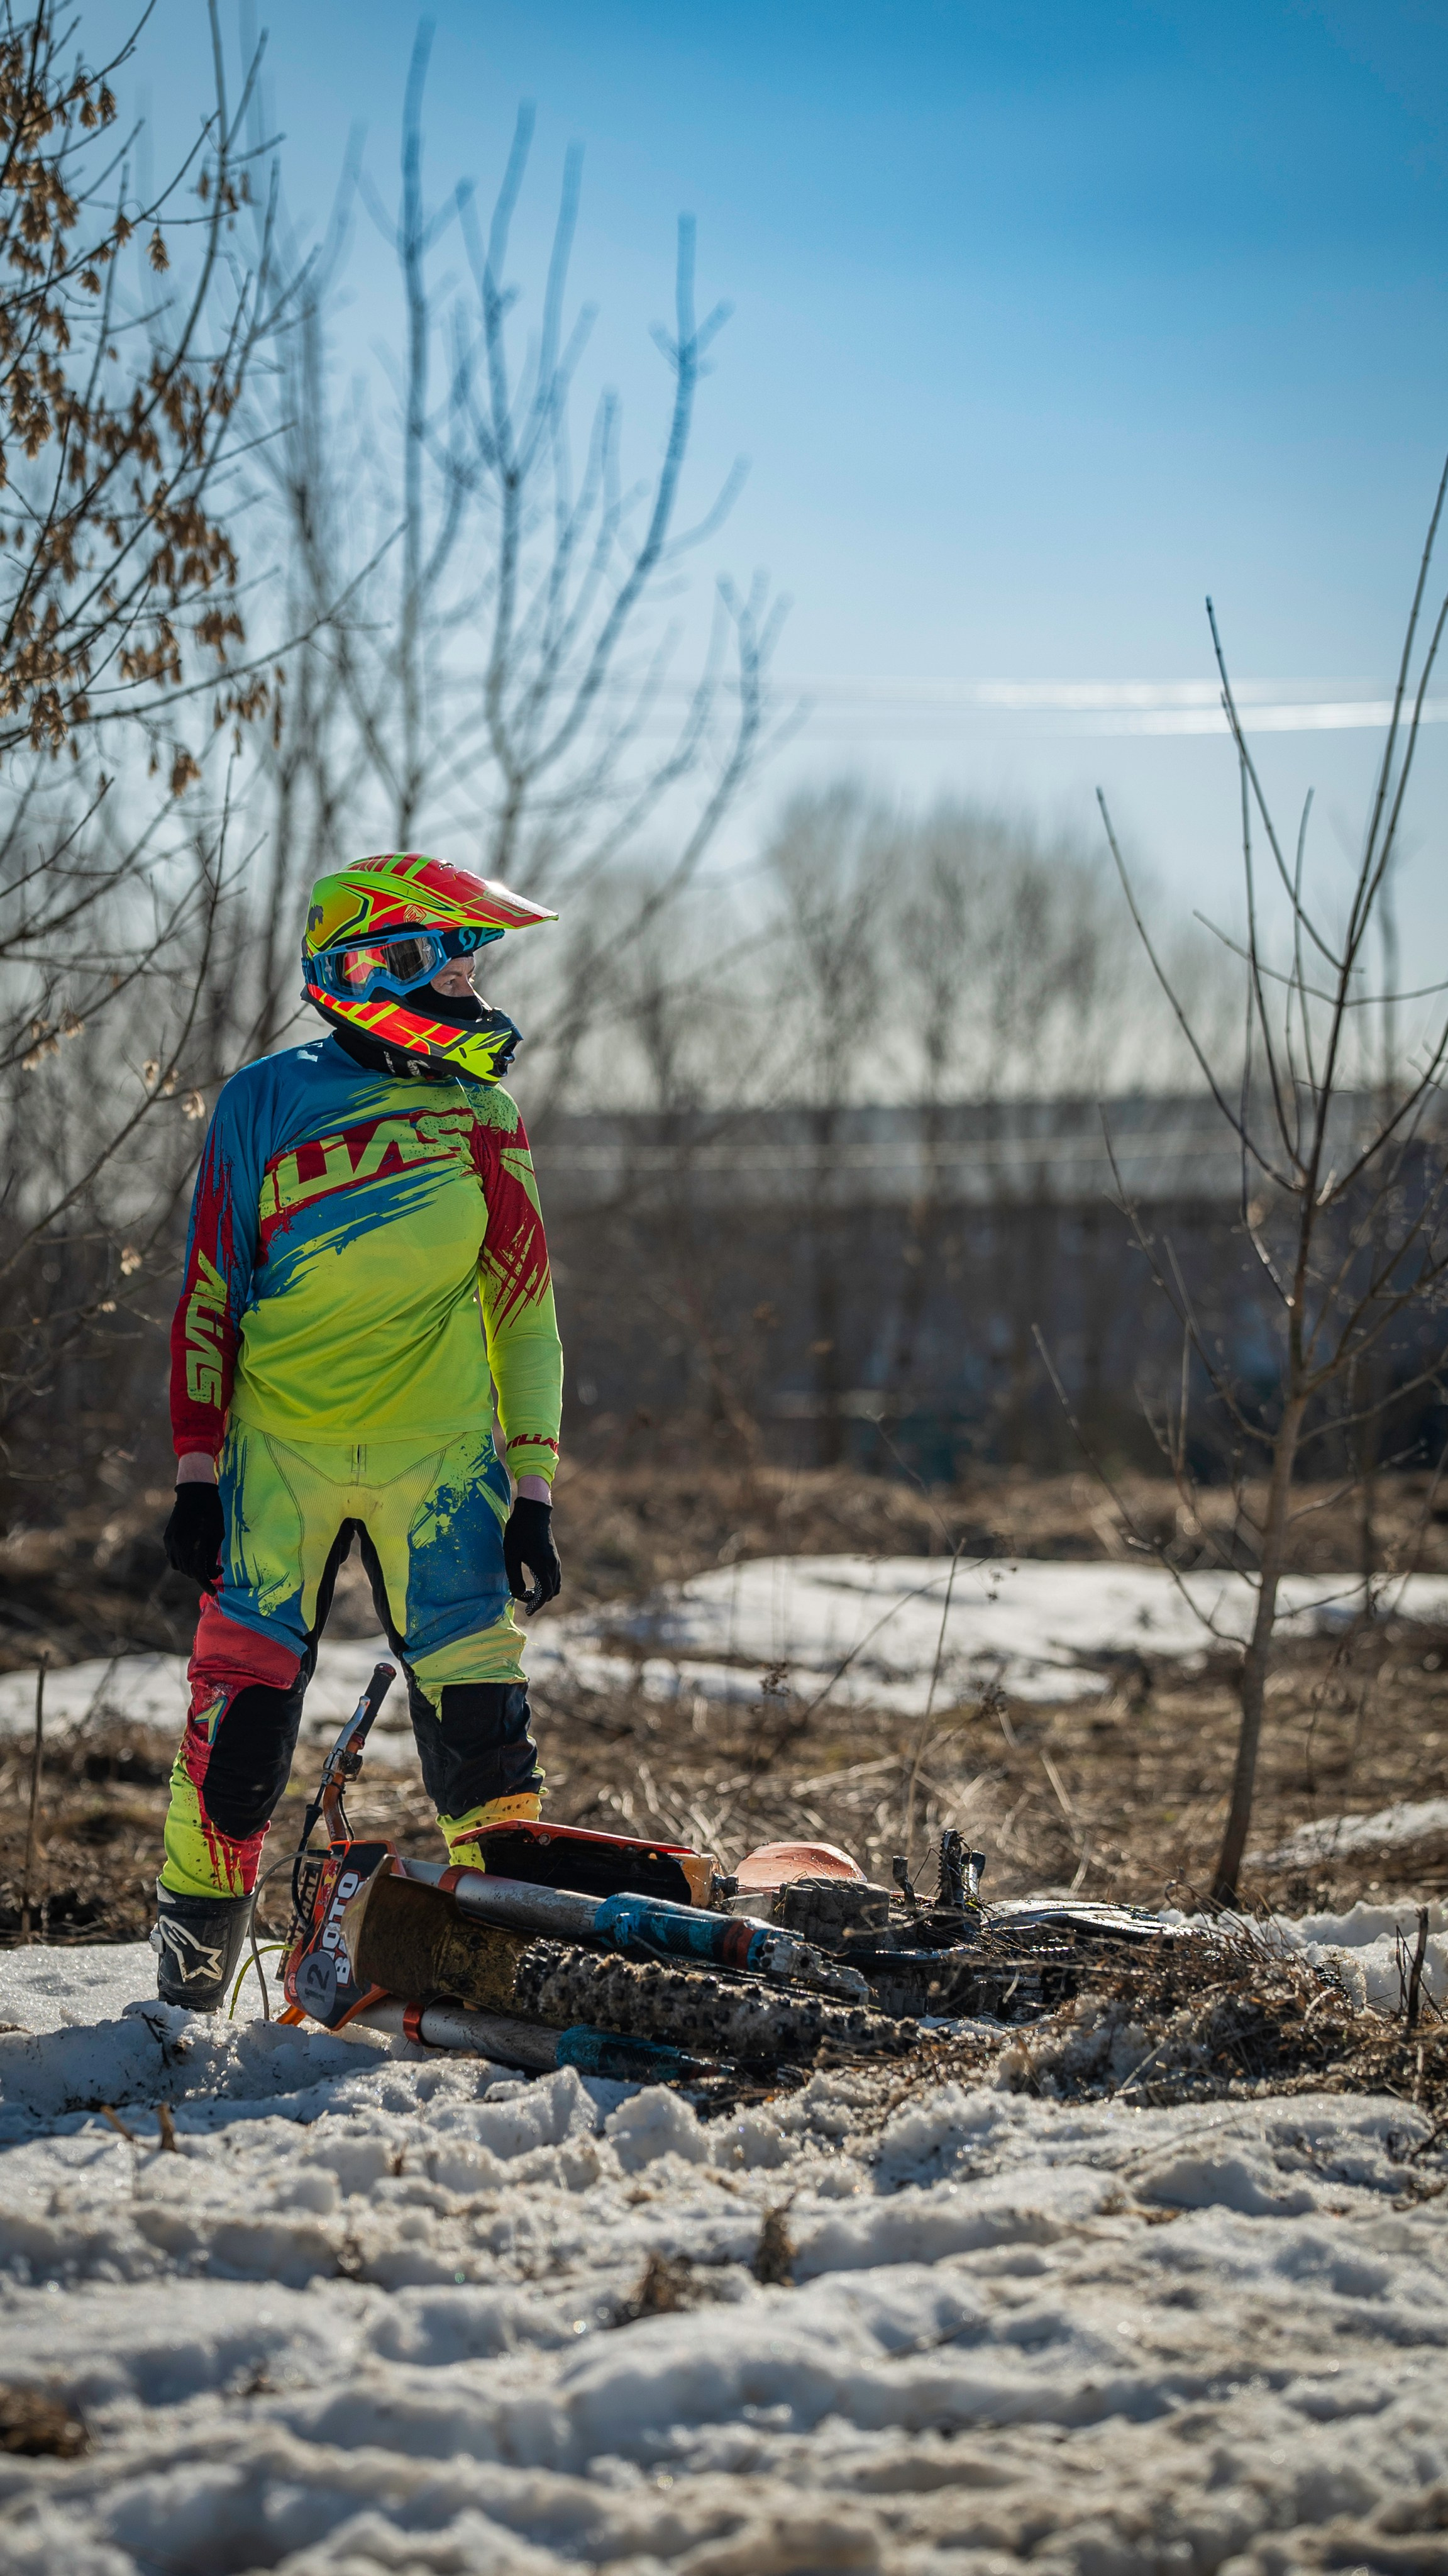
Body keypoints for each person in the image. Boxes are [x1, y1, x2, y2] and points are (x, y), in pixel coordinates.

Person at [153, 852, 565, 2010]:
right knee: (239, 1727)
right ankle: (181, 1998)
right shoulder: (264, 1101)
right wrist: (195, 1471)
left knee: (484, 1730)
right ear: (374, 967)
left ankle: (511, 1970)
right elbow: (210, 1288)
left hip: (443, 1464)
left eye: (475, 960)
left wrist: (534, 1489)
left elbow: (525, 1311)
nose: (472, 980)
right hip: (275, 1457)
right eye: (452, 959)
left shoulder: (484, 1113)